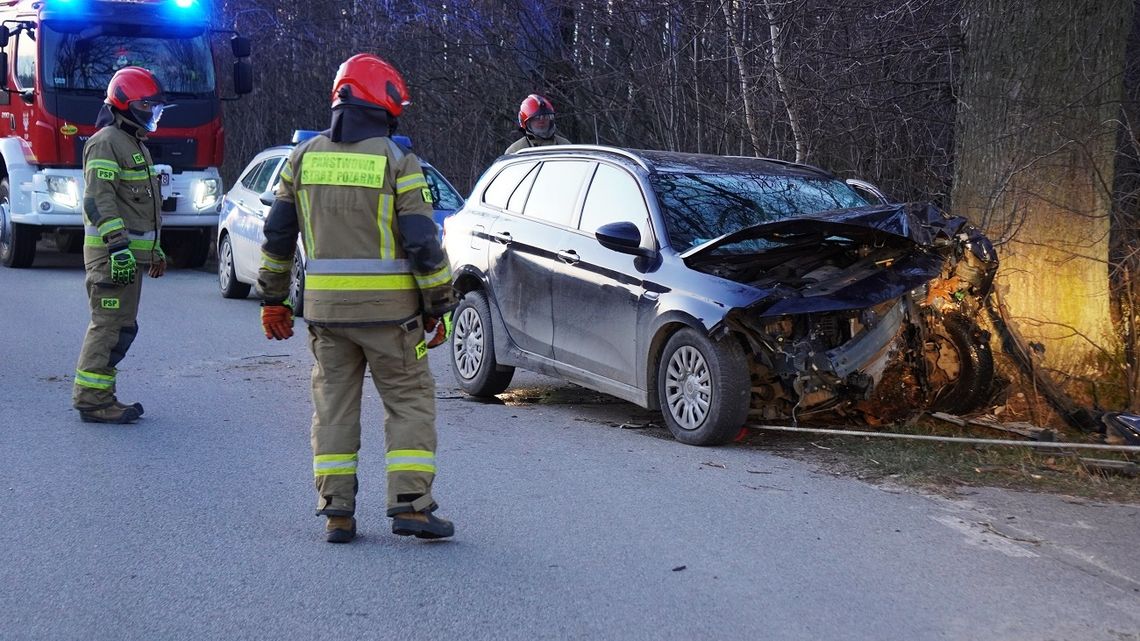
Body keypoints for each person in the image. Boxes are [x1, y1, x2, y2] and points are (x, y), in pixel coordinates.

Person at [257, 53, 457, 544]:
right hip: (393, 318)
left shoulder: (301, 160)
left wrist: (273, 300)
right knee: (409, 403)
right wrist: (439, 305)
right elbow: (422, 243)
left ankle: (336, 512)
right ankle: (411, 506)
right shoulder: (397, 160)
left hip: (326, 317)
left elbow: (278, 236)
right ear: (383, 102)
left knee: (333, 408)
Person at [73, 66, 168, 424]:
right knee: (109, 325)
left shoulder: (134, 143)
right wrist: (117, 247)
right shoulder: (106, 141)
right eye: (147, 105)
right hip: (111, 259)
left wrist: (153, 250)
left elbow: (139, 207)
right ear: (126, 103)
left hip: (125, 258)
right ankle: (93, 400)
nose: (152, 113)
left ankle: (100, 395)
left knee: (122, 327)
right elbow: (99, 200)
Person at [505, 93, 570, 153]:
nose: (541, 120)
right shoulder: (516, 151)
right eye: (536, 118)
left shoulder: (565, 146)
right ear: (526, 122)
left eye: (545, 116)